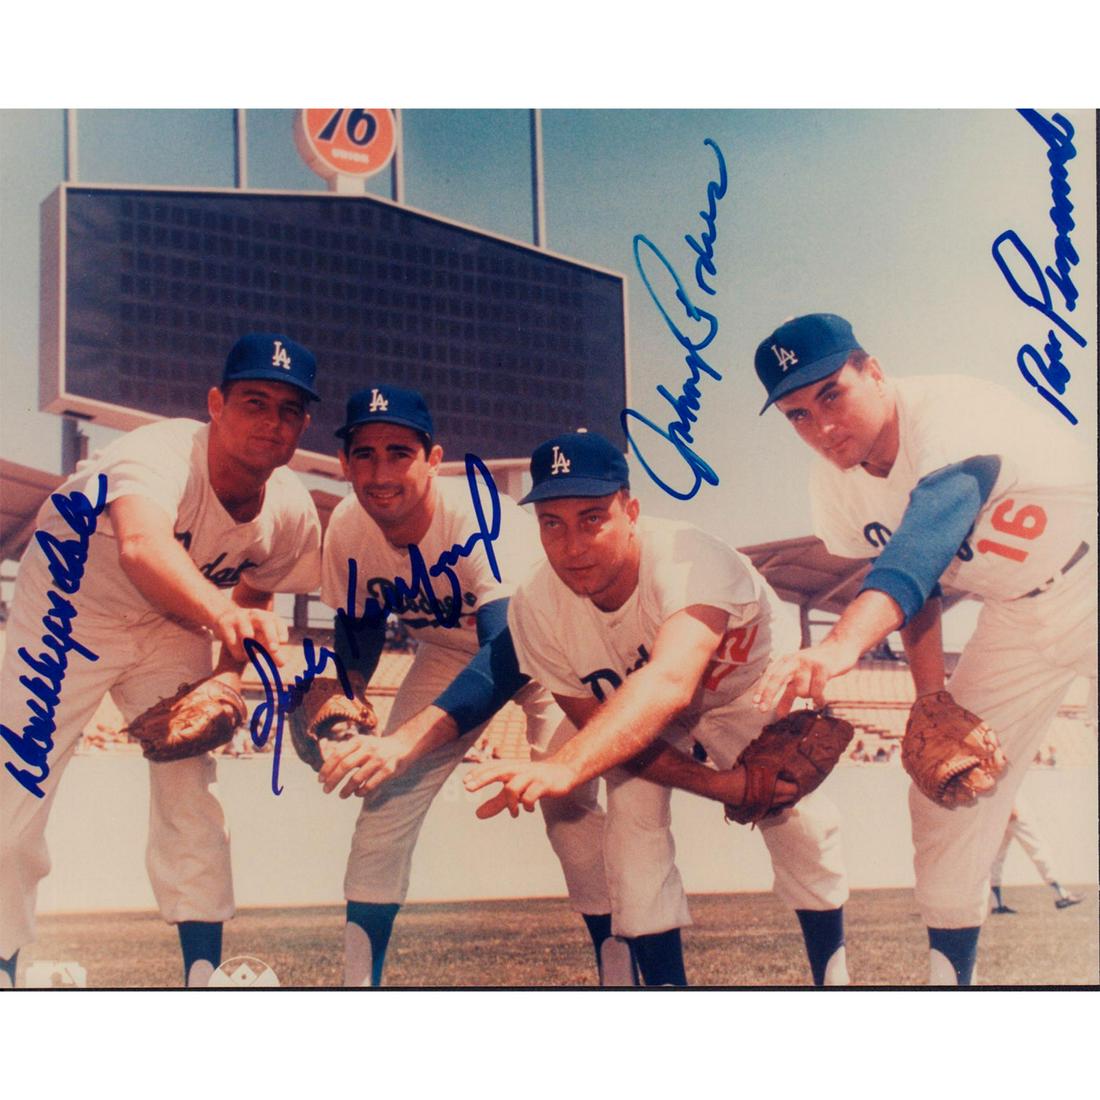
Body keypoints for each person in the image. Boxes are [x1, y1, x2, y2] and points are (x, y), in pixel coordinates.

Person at [749, 312, 1096, 985]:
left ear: (873, 371)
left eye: (831, 395)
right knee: (943, 793)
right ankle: (947, 986)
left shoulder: (950, 407)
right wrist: (931, 697)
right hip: (1016, 618)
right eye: (795, 414)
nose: (820, 427)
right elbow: (921, 590)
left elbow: (926, 536)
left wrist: (844, 642)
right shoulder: (836, 486)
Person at [460, 431, 851, 987]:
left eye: (592, 517)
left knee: (798, 822)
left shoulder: (689, 556)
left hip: (746, 688)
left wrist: (564, 765)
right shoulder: (534, 609)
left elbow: (670, 678)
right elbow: (605, 726)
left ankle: (835, 978)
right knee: (629, 839)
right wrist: (719, 787)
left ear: (631, 511)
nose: (573, 545)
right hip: (637, 716)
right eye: (553, 523)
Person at [1, 333, 324, 989]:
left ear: (303, 427)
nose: (270, 421)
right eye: (254, 401)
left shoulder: (290, 511)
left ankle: (204, 974)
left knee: (191, 794)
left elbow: (258, 584)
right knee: (15, 787)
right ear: (216, 404)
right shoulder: (158, 452)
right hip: (68, 609)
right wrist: (224, 615)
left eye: (288, 410)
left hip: (171, 619)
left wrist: (226, 675)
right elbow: (144, 548)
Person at [309, 387, 615, 987]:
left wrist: (404, 741)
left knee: (569, 806)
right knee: (383, 804)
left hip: (552, 651)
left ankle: (617, 968)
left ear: (432, 459)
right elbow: (357, 632)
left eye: (399, 452)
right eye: (364, 454)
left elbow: (507, 653)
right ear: (344, 464)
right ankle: (356, 988)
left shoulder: (479, 513)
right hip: (451, 655)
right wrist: (338, 704)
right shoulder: (349, 524)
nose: (380, 471)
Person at [989, 798, 1083, 913]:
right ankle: (1061, 895)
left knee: (997, 856)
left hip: (997, 808)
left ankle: (997, 904)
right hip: (1011, 805)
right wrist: (1010, 804)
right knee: (1036, 847)